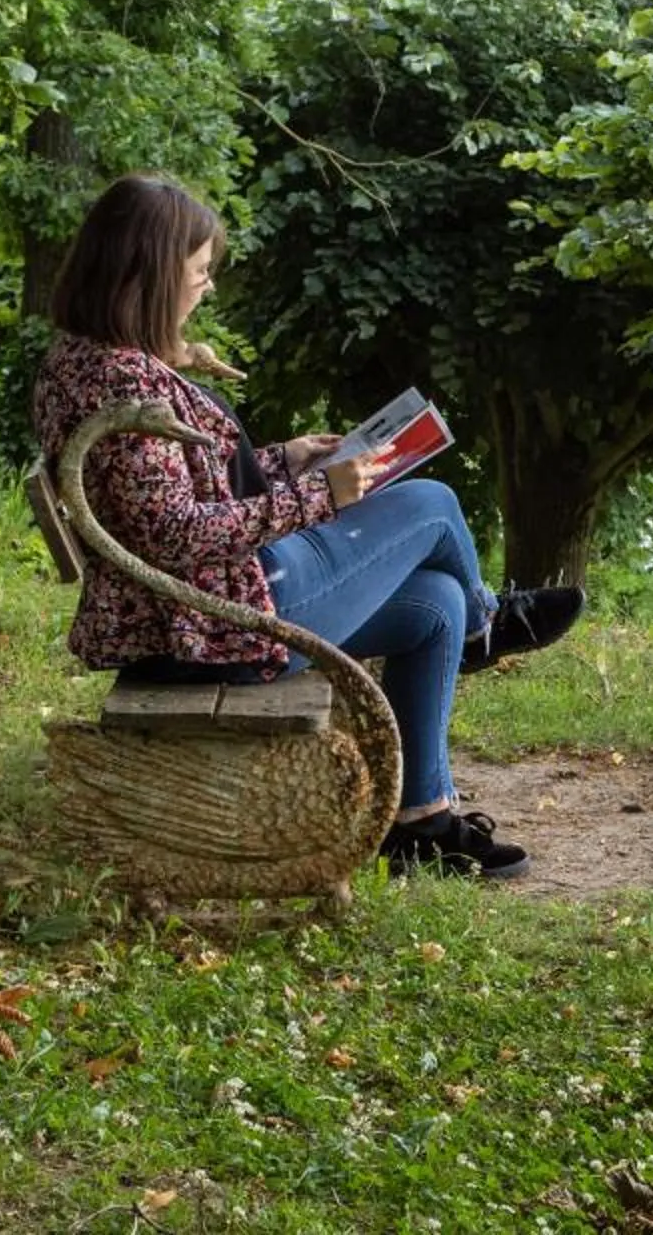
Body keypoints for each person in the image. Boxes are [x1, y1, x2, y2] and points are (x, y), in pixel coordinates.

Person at [29, 174, 583, 879]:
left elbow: (181, 490)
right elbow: (174, 531)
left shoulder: (84, 360)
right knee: (432, 502)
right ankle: (491, 626)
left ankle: (423, 820)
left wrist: (286, 460)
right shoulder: (125, 385)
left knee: (434, 607)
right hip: (210, 624)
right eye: (200, 273)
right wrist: (320, 495)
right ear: (151, 273)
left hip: (195, 607)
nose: (207, 289)